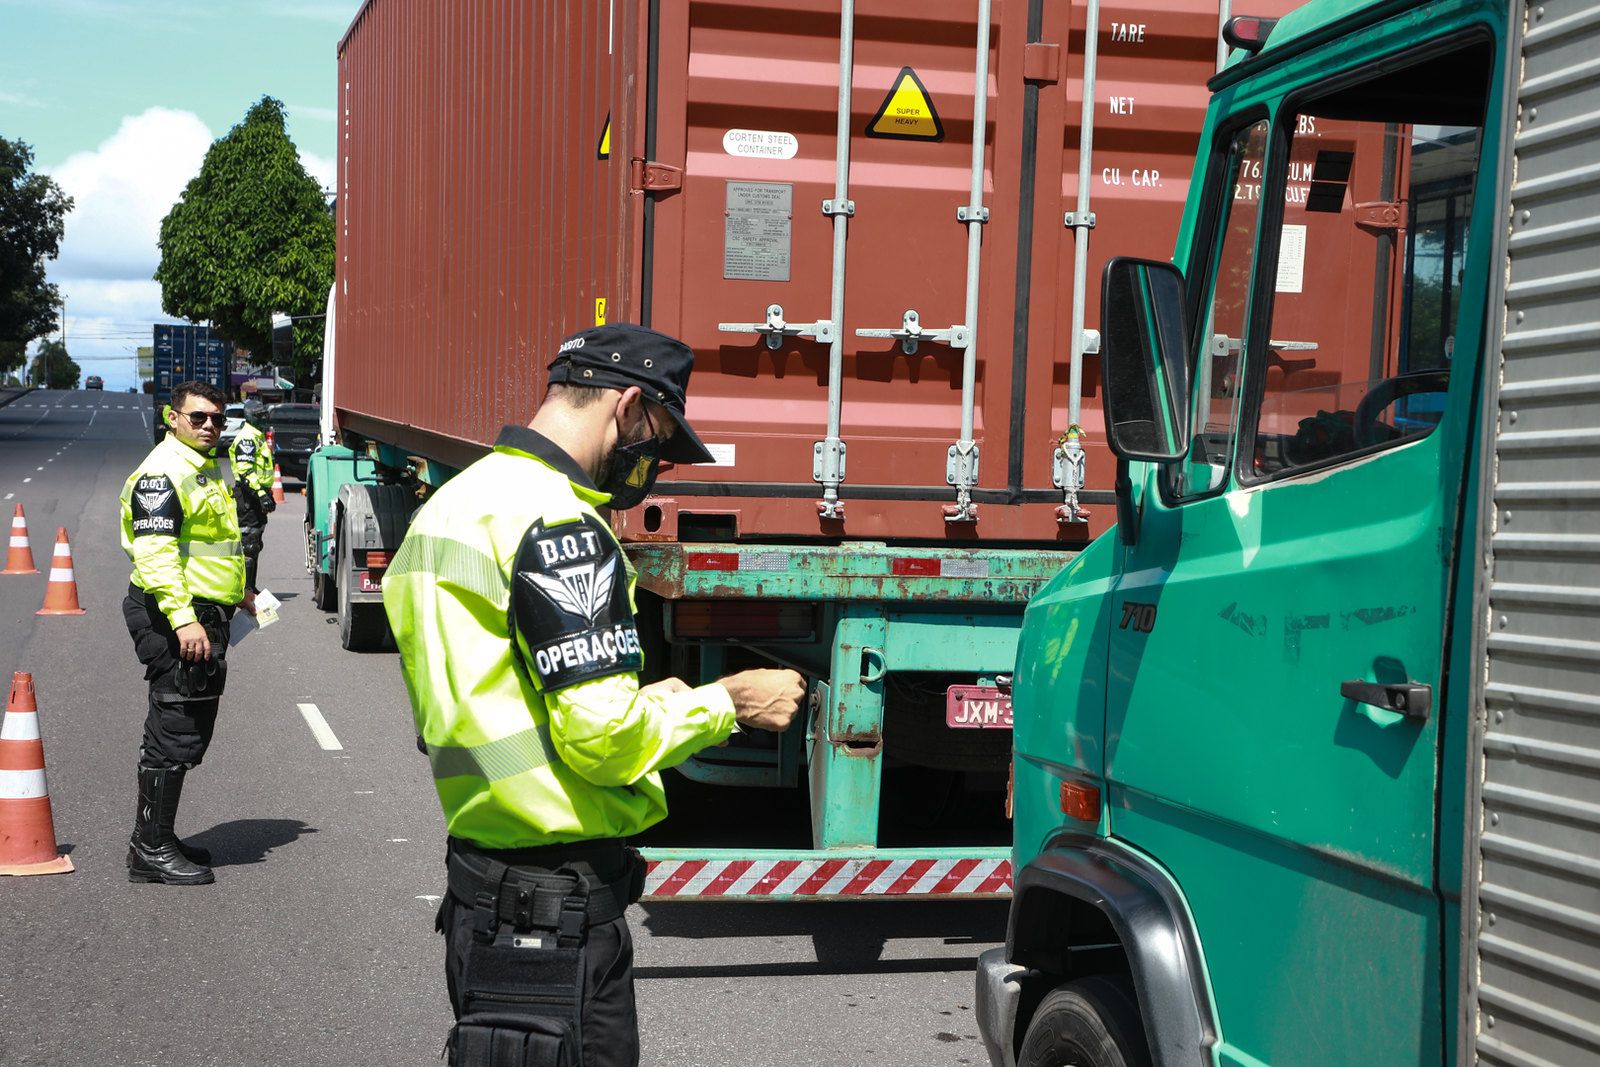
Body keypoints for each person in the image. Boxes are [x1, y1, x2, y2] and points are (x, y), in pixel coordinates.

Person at [386, 323, 804, 1067]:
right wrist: (729, 700)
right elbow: (602, 736)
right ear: (630, 407)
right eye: (660, 437)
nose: (654, 461)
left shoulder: (449, 507)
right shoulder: (559, 525)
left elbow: (484, 686)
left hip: (479, 885)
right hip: (555, 902)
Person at [120, 379, 255, 886]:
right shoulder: (162, 473)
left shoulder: (202, 466)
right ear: (172, 418)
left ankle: (159, 836)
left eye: (217, 419)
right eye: (197, 417)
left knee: (188, 725)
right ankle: (149, 849)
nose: (209, 426)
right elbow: (155, 555)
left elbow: (208, 545)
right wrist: (183, 619)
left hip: (203, 611)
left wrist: (238, 592)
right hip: (173, 614)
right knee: (175, 727)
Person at [227, 403, 276, 591]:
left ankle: (250, 587)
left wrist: (266, 494)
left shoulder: (257, 436)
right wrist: (261, 494)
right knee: (248, 543)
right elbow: (245, 471)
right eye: (260, 415)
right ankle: (245, 590)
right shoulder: (247, 439)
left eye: (264, 415)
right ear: (250, 416)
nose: (264, 419)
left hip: (257, 494)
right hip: (248, 495)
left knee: (255, 542)